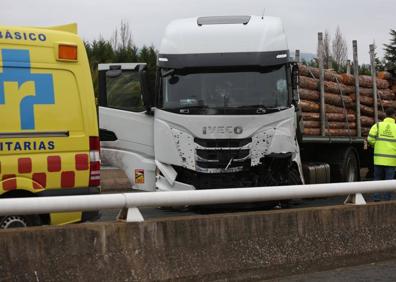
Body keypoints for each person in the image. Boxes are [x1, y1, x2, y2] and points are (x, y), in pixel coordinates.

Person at [367, 108, 396, 201]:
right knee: (389, 181)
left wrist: (376, 145)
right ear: (394, 115)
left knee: (377, 179)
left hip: (378, 159)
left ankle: (376, 198)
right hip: (391, 161)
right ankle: (387, 200)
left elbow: (370, 139)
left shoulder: (378, 126)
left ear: (385, 115)